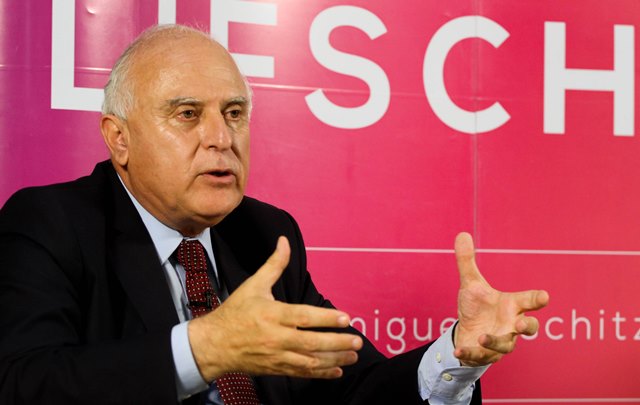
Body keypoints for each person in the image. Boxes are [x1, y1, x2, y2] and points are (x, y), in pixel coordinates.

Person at [0, 24, 549, 405]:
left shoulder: (265, 234)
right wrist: (206, 348)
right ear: (119, 138)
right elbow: (24, 385)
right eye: (187, 114)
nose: (221, 138)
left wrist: (455, 356)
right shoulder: (51, 223)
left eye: (234, 113)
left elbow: (351, 388)